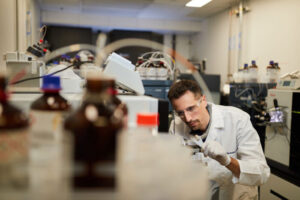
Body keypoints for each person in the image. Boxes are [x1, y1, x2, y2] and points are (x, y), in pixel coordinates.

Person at [168, 80, 270, 200]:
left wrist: (227, 161)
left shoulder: (237, 120)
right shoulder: (176, 126)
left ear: (203, 100)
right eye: (180, 113)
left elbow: (261, 174)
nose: (188, 118)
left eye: (191, 108)